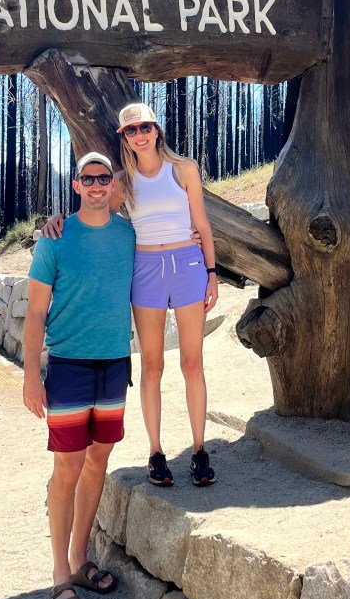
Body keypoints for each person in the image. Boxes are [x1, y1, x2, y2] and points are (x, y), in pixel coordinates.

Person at [45, 102, 219, 489]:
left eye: (144, 127)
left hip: (188, 266)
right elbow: (92, 211)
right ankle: (156, 453)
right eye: (130, 130)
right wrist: (55, 219)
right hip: (146, 270)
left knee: (193, 363)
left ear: (157, 130)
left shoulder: (184, 169)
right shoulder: (121, 182)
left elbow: (202, 225)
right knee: (152, 366)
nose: (139, 134)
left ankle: (199, 450)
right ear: (124, 137)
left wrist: (211, 273)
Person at [23, 152, 135, 599]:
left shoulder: (129, 234)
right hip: (68, 364)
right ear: (75, 185)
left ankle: (80, 559)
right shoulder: (54, 239)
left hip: (114, 363)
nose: (95, 185)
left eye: (102, 178)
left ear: (112, 184)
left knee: (98, 462)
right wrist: (31, 375)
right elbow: (34, 313)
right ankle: (58, 577)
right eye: (87, 179)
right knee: (67, 468)